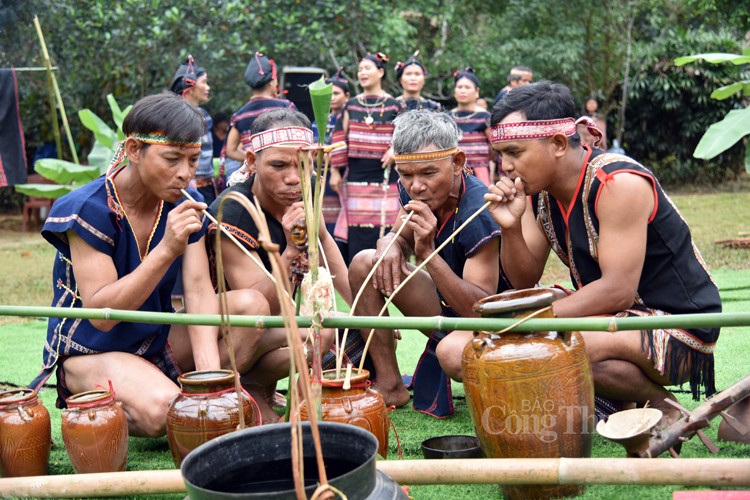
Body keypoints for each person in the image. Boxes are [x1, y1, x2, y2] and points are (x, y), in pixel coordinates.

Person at [29, 93, 268, 437]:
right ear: (134, 150)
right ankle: (152, 405)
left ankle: (191, 402)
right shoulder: (87, 209)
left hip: (154, 342)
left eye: (192, 159)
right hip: (91, 350)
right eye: (171, 159)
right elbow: (101, 313)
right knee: (164, 411)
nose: (185, 174)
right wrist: (167, 249)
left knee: (251, 307)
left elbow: (200, 291)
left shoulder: (186, 202)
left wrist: (210, 384)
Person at [483, 80, 721, 424]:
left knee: (539, 347)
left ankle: (657, 401)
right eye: (501, 155)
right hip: (613, 320)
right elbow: (525, 278)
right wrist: (510, 227)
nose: (505, 167)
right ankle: (643, 399)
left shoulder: (617, 182)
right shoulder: (540, 192)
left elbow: (617, 290)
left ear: (559, 143)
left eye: (515, 153)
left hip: (679, 332)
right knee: (453, 350)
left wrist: (531, 323)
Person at [348, 110, 509, 416]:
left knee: (454, 353)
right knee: (364, 262)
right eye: (406, 175)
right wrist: (391, 243)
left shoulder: (479, 211)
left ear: (457, 163)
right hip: (443, 305)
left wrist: (427, 256)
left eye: (428, 173)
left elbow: (480, 310)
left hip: (489, 322)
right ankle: (390, 383)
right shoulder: (414, 186)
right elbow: (400, 233)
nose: (416, 186)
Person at [207, 108, 353, 423]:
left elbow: (324, 240)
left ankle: (264, 391)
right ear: (251, 160)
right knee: (263, 307)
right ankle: (233, 394)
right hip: (225, 337)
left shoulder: (305, 186)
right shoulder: (232, 211)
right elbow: (259, 306)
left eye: (303, 165)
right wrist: (289, 251)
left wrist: (360, 310)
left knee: (324, 328)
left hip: (267, 326)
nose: (292, 177)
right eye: (278, 165)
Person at [330, 52, 406, 264]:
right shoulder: (351, 105)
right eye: (360, 69)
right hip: (356, 175)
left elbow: (406, 133)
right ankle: (358, 271)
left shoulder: (394, 105)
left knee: (386, 224)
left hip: (385, 174)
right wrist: (335, 171)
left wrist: (395, 149)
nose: (362, 73)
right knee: (358, 226)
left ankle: (386, 269)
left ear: (380, 72)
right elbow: (338, 137)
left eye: (367, 68)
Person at [223, 52, 297, 176]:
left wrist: (257, 161)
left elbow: (230, 150)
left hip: (254, 179)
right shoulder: (287, 107)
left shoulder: (240, 115)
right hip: (285, 175)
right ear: (271, 82)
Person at [169, 55, 216, 206]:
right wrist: (191, 180)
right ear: (189, 88)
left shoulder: (205, 116)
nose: (208, 88)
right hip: (187, 185)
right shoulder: (175, 117)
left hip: (207, 184)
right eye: (204, 83)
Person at [312, 68, 350, 235]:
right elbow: (312, 146)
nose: (332, 98)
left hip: (342, 174)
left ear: (347, 97)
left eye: (337, 93)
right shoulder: (319, 119)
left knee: (340, 220)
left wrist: (330, 156)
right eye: (330, 94)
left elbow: (346, 147)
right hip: (320, 172)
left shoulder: (348, 117)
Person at [450, 67, 493, 185]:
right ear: (454, 91)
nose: (463, 91)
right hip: (453, 172)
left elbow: (494, 145)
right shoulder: (447, 117)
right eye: (459, 87)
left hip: (480, 173)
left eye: (467, 87)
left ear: (477, 91)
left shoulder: (485, 116)